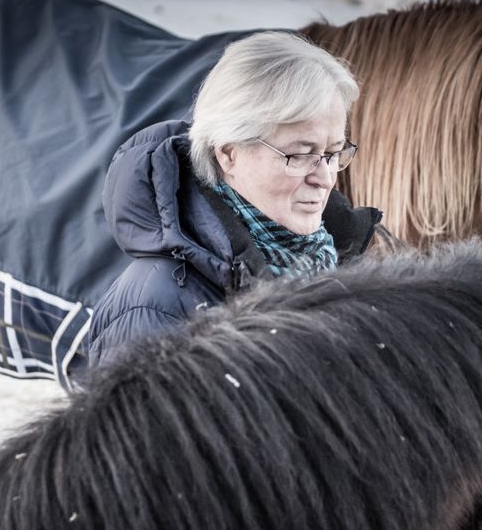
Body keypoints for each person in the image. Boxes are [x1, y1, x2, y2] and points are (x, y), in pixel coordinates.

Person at [85, 31, 383, 368]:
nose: (325, 178)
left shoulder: (338, 264)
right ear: (229, 153)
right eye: (300, 154)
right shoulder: (158, 308)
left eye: (332, 153)